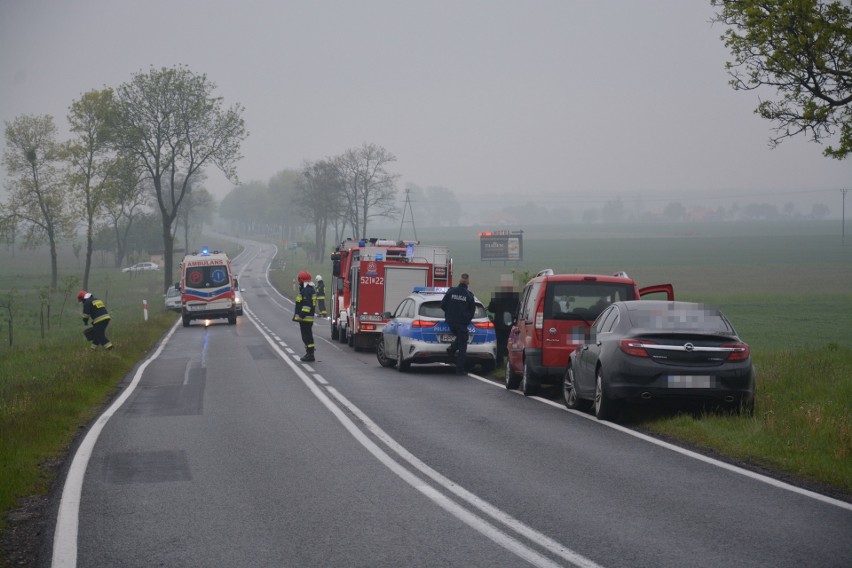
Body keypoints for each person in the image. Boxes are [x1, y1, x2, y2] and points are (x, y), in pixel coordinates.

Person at [441, 273, 476, 375]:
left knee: (462, 338)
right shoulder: (469, 295)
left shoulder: (451, 292)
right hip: (462, 323)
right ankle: (460, 370)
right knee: (462, 346)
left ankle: (451, 349)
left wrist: (449, 313)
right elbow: (472, 311)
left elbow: (442, 305)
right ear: (468, 282)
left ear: (459, 280)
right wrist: (467, 319)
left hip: (451, 322)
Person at [487, 277, 519, 367]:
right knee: (511, 343)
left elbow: (491, 309)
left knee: (499, 343)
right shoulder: (516, 296)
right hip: (511, 324)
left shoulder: (497, 295)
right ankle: (510, 363)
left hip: (499, 324)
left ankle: (499, 362)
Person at [293, 270, 316, 362]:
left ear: (301, 280)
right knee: (307, 336)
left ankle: (310, 354)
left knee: (307, 337)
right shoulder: (309, 289)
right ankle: (309, 353)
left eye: (299, 280)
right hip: (307, 319)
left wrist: (301, 316)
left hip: (305, 319)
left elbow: (307, 305)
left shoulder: (306, 291)